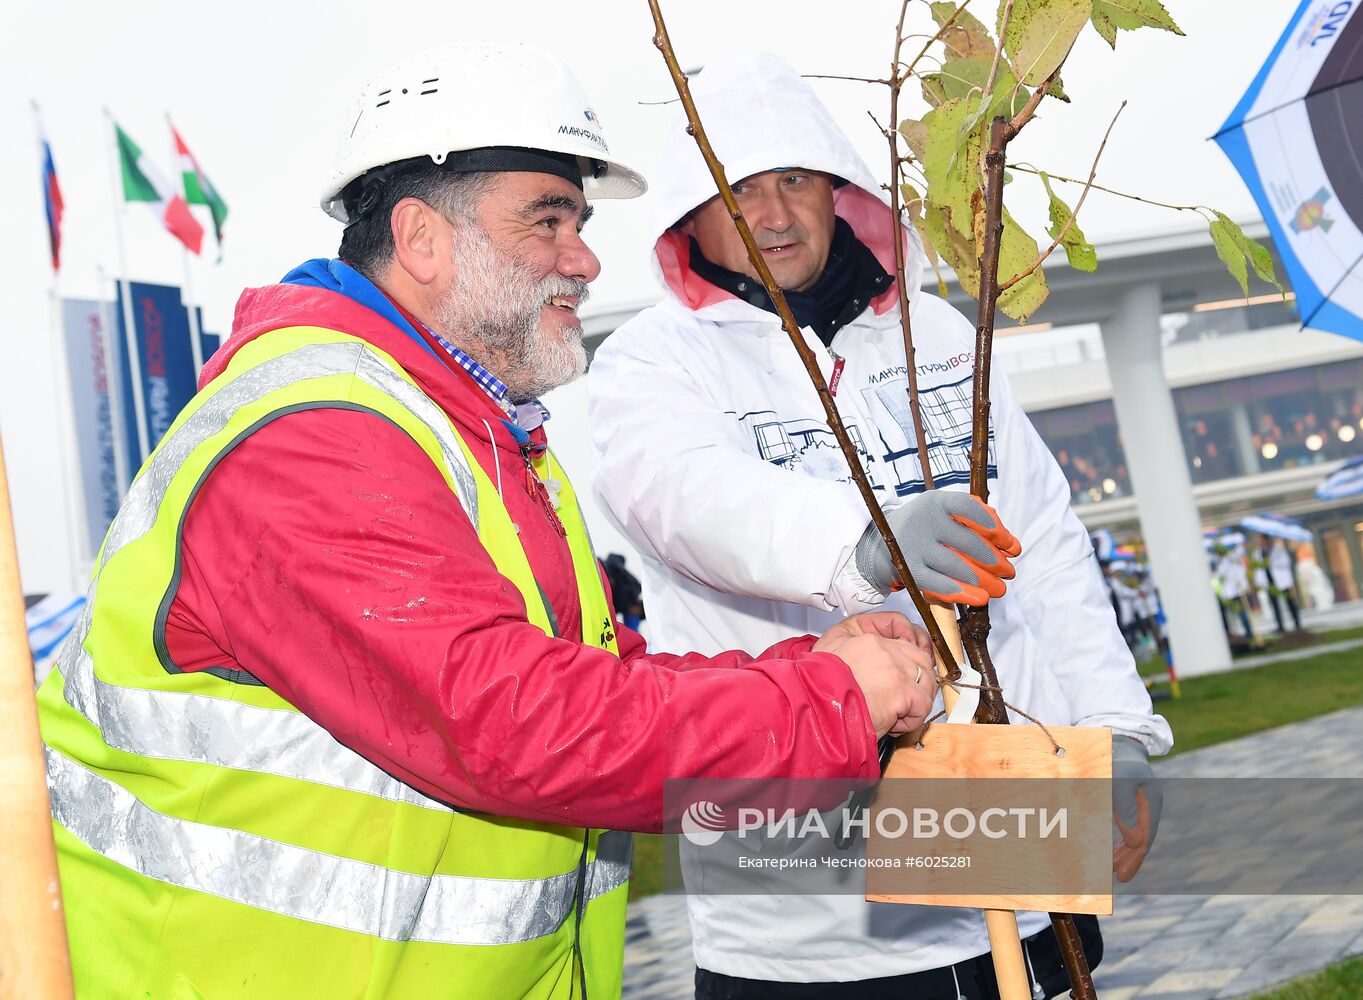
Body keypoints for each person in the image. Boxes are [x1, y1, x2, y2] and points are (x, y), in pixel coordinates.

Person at [35, 45, 942, 1000]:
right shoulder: (316, 432)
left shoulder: (468, 431)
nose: (585, 258)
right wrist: (833, 693)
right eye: (546, 219)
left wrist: (811, 672)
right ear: (421, 238)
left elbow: (577, 683)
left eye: (580, 222)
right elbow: (512, 721)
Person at [588, 53, 1172, 1000]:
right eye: (738, 190)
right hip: (814, 919)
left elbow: (1047, 546)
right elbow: (687, 499)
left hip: (1013, 855)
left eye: (795, 181)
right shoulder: (653, 366)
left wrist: (1115, 729)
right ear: (690, 216)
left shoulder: (935, 337)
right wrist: (863, 539)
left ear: (839, 192)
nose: (773, 215)